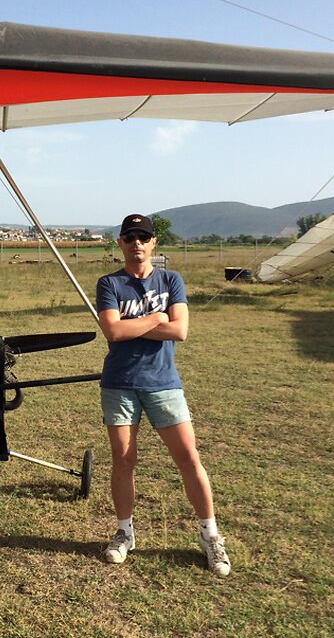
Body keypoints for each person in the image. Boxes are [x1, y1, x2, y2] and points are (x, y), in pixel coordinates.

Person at [94, 213, 231, 577]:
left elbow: (181, 330)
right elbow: (112, 331)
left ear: (154, 243)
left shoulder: (171, 280)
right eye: (130, 237)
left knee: (189, 458)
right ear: (120, 243)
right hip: (119, 384)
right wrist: (156, 319)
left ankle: (210, 535)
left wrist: (136, 326)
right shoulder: (109, 283)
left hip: (163, 383)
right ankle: (124, 532)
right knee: (123, 461)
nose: (136, 242)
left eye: (143, 236)